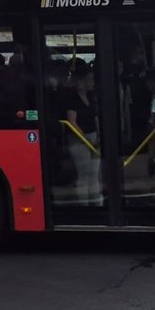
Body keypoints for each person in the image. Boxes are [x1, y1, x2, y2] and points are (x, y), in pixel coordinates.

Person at [65, 63, 101, 205]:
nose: (92, 82)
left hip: (93, 137)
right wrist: (86, 140)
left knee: (94, 174)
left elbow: (96, 117)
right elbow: (72, 122)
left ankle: (97, 203)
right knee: (84, 175)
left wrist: (98, 136)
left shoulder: (92, 97)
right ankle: (84, 205)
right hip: (79, 140)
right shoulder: (72, 99)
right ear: (81, 81)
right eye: (90, 79)